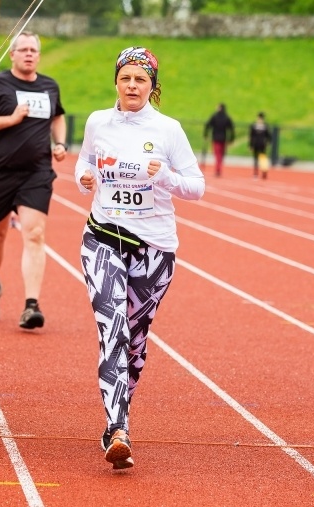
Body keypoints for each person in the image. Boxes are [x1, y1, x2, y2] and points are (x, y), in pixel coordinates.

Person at [75, 46, 205, 470]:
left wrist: (164, 176)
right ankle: (118, 428)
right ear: (115, 80)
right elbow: (83, 161)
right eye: (126, 78)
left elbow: (196, 186)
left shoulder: (168, 130)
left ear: (153, 86)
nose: (132, 86)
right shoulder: (98, 122)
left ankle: (118, 416)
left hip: (154, 250)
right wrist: (84, 177)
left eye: (141, 80)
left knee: (134, 341)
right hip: (102, 239)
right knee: (110, 329)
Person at [0, 31, 68, 329]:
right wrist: (12, 119)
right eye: (23, 49)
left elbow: (58, 116)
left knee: (34, 233)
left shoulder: (49, 86)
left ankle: (31, 306)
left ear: (39, 56)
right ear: (12, 54)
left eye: (34, 50)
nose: (29, 54)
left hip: (36, 172)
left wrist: (60, 143)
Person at [204, 103, 235, 177]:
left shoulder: (215, 116)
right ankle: (219, 168)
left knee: (217, 154)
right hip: (223, 139)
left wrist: (206, 134)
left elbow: (208, 125)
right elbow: (231, 128)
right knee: (221, 154)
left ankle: (218, 169)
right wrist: (231, 138)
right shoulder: (227, 117)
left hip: (216, 138)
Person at [249, 111, 272, 179]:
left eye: (260, 119)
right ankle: (255, 173)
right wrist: (251, 145)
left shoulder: (265, 127)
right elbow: (251, 136)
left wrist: (268, 142)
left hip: (262, 145)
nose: (259, 120)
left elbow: (269, 136)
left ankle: (264, 173)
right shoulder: (254, 126)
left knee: (263, 159)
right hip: (255, 144)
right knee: (255, 159)